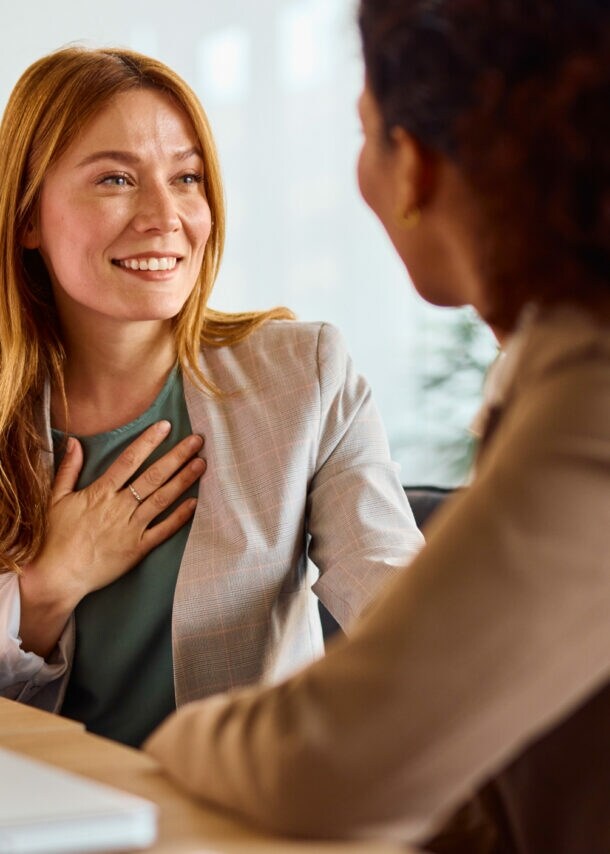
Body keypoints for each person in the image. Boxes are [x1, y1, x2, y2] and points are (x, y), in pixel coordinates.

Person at [145, 1, 610, 851]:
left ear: (415, 167)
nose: (162, 214)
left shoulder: (587, 396)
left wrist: (159, 748)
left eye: (364, 133)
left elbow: (332, 761)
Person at [0, 46, 423, 748]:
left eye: (186, 178)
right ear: (26, 218)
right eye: (115, 179)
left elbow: (393, 591)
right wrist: (45, 589)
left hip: (237, 799)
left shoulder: (303, 374)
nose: (165, 216)